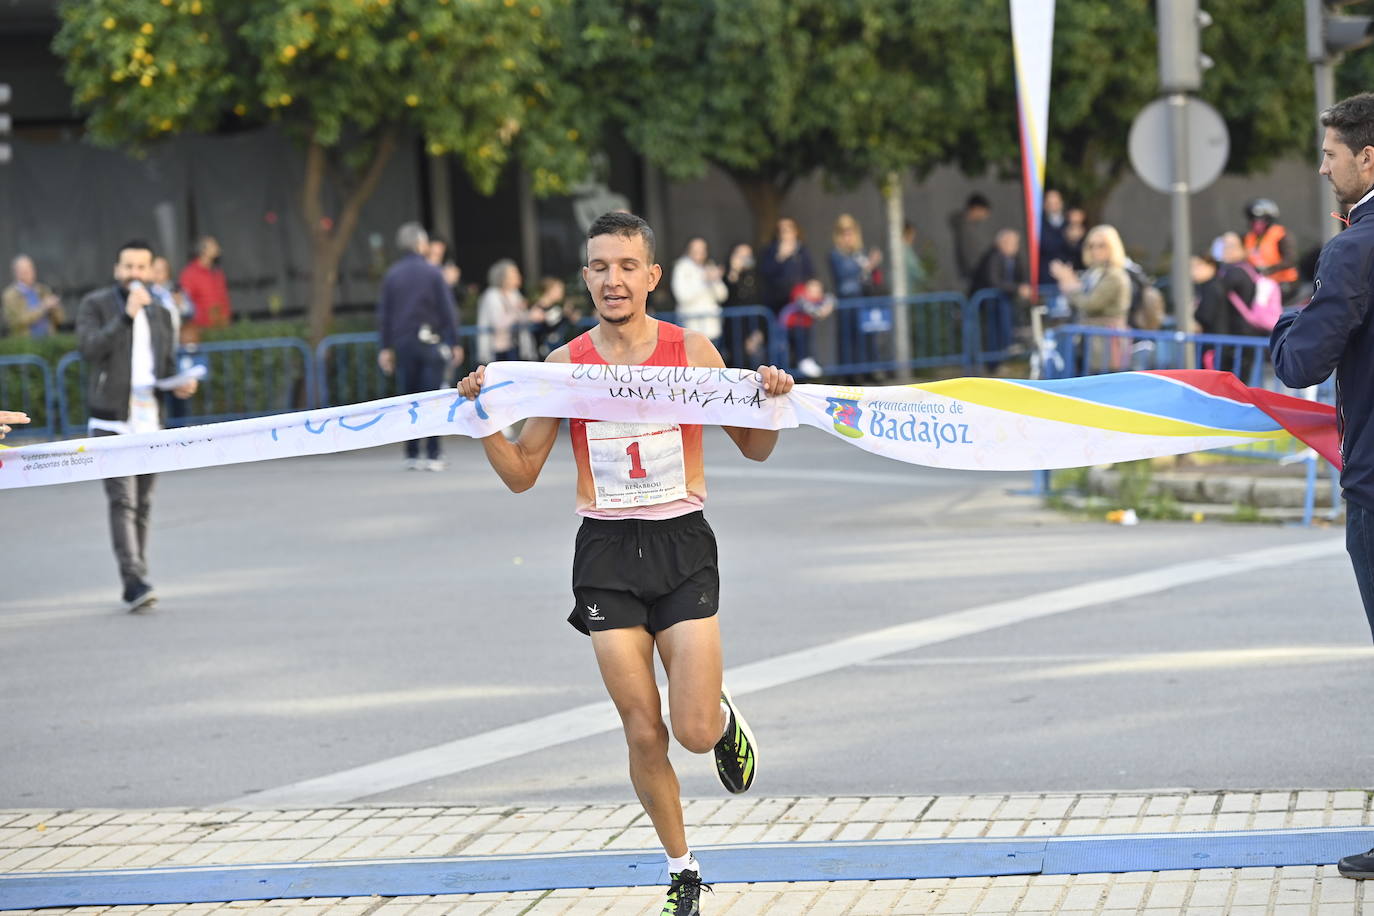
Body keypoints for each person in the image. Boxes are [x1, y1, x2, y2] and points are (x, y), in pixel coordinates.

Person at [457, 211, 790, 916]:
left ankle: (718, 715)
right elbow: (521, 473)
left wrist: (770, 400)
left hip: (681, 542)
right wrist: (481, 417)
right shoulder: (563, 366)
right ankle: (682, 871)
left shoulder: (691, 351)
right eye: (601, 266)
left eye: (627, 266)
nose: (614, 279)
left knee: (691, 731)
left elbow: (755, 447)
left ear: (652, 276)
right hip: (606, 554)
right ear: (586, 277)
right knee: (643, 728)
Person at [1268, 94, 1374, 881]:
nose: (1322, 166)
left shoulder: (1354, 249)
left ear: (1369, 158)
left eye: (1332, 154)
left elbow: (1302, 360)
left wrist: (1283, 324)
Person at [76, 240, 198, 612]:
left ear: (150, 271)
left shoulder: (161, 312)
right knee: (123, 500)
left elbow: (164, 366)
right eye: (128, 266)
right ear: (117, 269)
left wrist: (179, 383)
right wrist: (126, 316)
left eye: (141, 267)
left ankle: (138, 576)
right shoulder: (96, 305)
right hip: (110, 420)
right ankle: (132, 581)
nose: (134, 274)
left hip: (149, 421)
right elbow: (89, 348)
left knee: (143, 503)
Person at [377, 222, 463, 471]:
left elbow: (385, 314)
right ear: (420, 243)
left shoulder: (392, 275)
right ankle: (433, 453)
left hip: (403, 343)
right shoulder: (432, 272)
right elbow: (447, 310)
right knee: (432, 398)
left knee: (409, 398)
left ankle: (412, 453)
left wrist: (385, 347)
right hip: (430, 341)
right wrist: (454, 341)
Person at [1048, 224, 1131, 373]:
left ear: (1112, 247)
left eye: (1101, 245)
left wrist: (1070, 286)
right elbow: (1079, 299)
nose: (1095, 250)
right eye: (1091, 246)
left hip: (1108, 341)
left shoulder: (1115, 275)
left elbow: (1091, 303)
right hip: (1089, 341)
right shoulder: (1093, 273)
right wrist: (1070, 283)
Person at [969, 228, 1031, 373]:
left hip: (1005, 300)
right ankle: (995, 362)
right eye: (1012, 243)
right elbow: (994, 281)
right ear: (1001, 243)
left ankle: (1009, 346)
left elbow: (1021, 276)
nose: (1015, 247)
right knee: (993, 333)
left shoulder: (1015, 258)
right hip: (988, 301)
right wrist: (1017, 288)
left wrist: (1023, 287)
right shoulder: (993, 257)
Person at [670, 238, 726, 344]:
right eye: (696, 249)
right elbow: (682, 297)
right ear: (689, 250)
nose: (699, 253)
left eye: (702, 249)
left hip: (712, 329)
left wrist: (715, 281)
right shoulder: (681, 268)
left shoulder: (709, 266)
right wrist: (704, 280)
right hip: (691, 329)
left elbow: (722, 296)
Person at [1243, 198, 1299, 302]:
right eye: (1254, 221)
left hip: (1284, 282)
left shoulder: (1281, 234)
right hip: (1260, 283)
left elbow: (1290, 259)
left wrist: (1268, 270)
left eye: (1261, 221)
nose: (1257, 225)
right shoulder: (1249, 237)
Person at [779, 277, 835, 378]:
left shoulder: (816, 296)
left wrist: (827, 305)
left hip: (804, 327)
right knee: (792, 350)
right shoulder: (800, 293)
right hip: (788, 327)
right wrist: (822, 310)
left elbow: (830, 298)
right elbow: (809, 309)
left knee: (807, 342)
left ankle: (805, 362)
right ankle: (803, 361)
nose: (816, 292)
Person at [178, 236, 232, 339]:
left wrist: (226, 319)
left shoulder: (217, 272)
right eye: (213, 246)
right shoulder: (191, 273)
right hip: (200, 329)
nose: (217, 248)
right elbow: (185, 302)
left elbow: (224, 298)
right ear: (204, 251)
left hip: (221, 327)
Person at [476, 259, 529, 363]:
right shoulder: (491, 295)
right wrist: (518, 312)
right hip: (496, 349)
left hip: (514, 346)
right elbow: (498, 323)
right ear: (503, 277)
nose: (518, 276)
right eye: (513, 274)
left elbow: (523, 316)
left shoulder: (515, 294)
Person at [758, 217, 814, 314]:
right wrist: (780, 257)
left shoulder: (802, 251)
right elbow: (765, 272)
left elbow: (810, 274)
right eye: (782, 231)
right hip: (776, 302)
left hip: (799, 301)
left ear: (795, 232)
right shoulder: (770, 251)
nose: (786, 234)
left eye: (789, 230)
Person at [3, 255, 65, 339]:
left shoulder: (43, 290)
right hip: (26, 342)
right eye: (24, 270)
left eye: (30, 268)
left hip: (49, 339)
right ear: (16, 273)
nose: (29, 272)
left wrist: (55, 308)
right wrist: (43, 307)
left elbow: (60, 320)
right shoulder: (10, 295)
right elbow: (18, 322)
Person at [949, 192, 994, 288]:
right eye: (984, 212)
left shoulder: (967, 225)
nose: (985, 216)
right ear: (976, 209)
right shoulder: (964, 227)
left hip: (972, 275)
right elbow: (968, 254)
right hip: (971, 276)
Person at [1038, 190, 1075, 284]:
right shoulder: (1038, 225)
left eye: (1055, 203)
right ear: (1044, 205)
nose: (1053, 207)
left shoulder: (1070, 223)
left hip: (1068, 275)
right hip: (1046, 277)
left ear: (1061, 204)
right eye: (1049, 204)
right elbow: (1045, 245)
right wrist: (1066, 238)